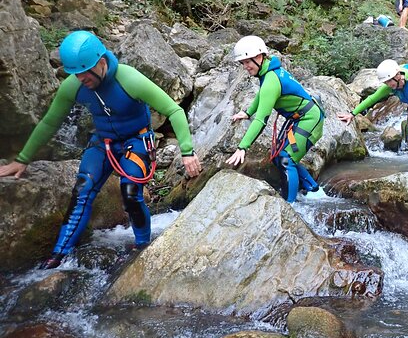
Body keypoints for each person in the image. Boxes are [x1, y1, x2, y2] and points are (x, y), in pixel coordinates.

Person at [0, 30, 202, 269]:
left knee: (130, 193)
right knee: (82, 191)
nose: (80, 79)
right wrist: (23, 159)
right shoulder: (73, 85)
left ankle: (142, 247)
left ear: (102, 63)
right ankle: (58, 256)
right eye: (75, 74)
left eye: (85, 74)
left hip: (137, 141)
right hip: (103, 142)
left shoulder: (129, 78)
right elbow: (49, 122)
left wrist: (187, 152)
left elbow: (175, 110)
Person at [226, 35, 324, 203]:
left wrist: (243, 147)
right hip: (300, 118)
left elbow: (261, 120)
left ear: (259, 57)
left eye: (247, 62)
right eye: (242, 63)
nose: (245, 67)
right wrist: (248, 112)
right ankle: (313, 190)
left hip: (309, 119)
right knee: (278, 156)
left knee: (286, 159)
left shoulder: (271, 78)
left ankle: (290, 207)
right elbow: (262, 95)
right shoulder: (268, 72)